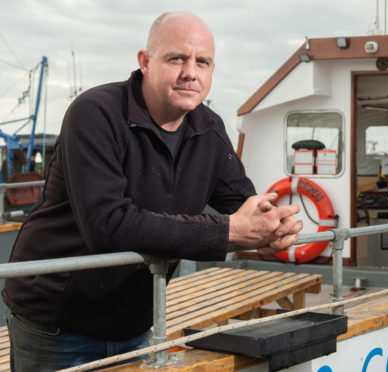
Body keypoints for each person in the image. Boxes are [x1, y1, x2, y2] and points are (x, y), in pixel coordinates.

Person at [2, 12, 302, 371]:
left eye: (202, 61)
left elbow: (246, 207)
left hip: (135, 323)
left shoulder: (209, 130)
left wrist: (273, 227)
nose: (190, 72)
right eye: (177, 58)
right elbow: (107, 225)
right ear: (145, 62)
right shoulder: (95, 114)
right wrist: (232, 231)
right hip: (58, 324)